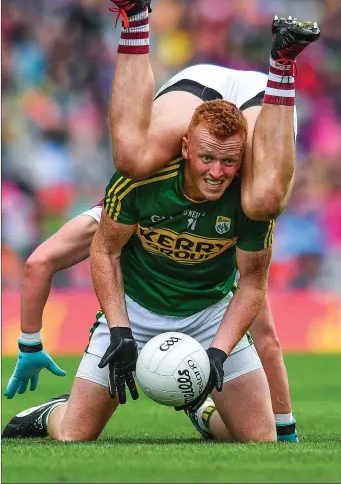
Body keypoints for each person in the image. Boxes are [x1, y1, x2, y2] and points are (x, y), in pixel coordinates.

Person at [5, 99, 283, 443]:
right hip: (135, 310)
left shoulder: (252, 201)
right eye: (207, 158)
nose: (217, 172)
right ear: (186, 148)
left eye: (229, 161)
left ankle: (202, 411)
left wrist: (218, 351)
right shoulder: (140, 182)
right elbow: (104, 252)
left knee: (259, 439)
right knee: (74, 435)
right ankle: (48, 412)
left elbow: (253, 284)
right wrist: (120, 330)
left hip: (211, 314)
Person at [83, 0, 320, 223]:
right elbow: (40, 262)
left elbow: (42, 262)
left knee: (131, 160)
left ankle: (135, 12)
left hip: (227, 87)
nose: (216, 173)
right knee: (263, 203)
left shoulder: (123, 209)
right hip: (242, 89)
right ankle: (283, 64)